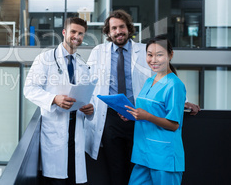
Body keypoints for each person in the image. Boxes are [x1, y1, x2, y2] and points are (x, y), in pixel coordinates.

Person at [84, 10, 200, 185]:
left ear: (128, 28)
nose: (118, 31)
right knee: (116, 168)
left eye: (121, 26)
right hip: (111, 117)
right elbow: (88, 81)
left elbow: (162, 77)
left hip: (139, 118)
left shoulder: (144, 51)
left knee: (139, 162)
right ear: (108, 32)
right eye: (113, 28)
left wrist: (182, 101)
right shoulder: (98, 51)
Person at [24, 17, 94, 184]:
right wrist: (54, 99)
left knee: (73, 178)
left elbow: (86, 96)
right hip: (54, 132)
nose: (77, 36)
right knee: (56, 181)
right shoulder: (45, 59)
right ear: (64, 32)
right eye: (73, 32)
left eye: (81, 33)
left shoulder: (83, 65)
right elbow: (29, 89)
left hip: (75, 132)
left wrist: (90, 110)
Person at [126, 35, 186, 185]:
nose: (153, 60)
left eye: (159, 55)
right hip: (143, 153)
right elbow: (148, 110)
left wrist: (146, 116)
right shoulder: (148, 81)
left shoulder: (174, 85)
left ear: (170, 55)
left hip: (163, 157)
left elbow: (174, 125)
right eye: (150, 55)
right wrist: (132, 115)